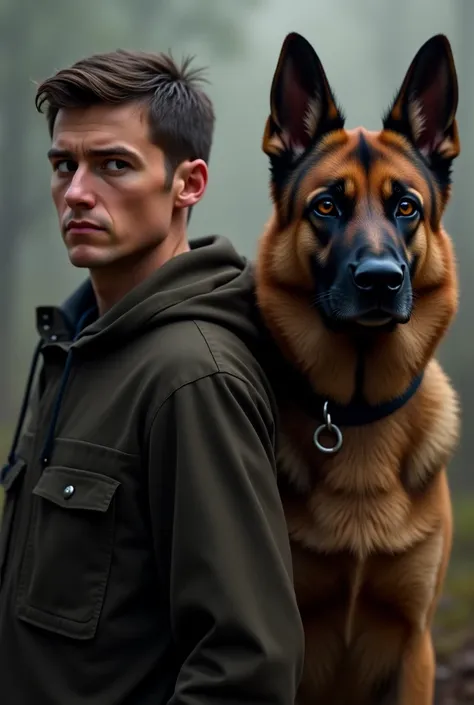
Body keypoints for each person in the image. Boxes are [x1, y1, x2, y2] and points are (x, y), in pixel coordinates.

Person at [0, 49, 304, 704]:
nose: (77, 191)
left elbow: (246, 667)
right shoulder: (75, 348)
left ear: (188, 183)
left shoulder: (193, 376)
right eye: (63, 165)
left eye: (113, 164)